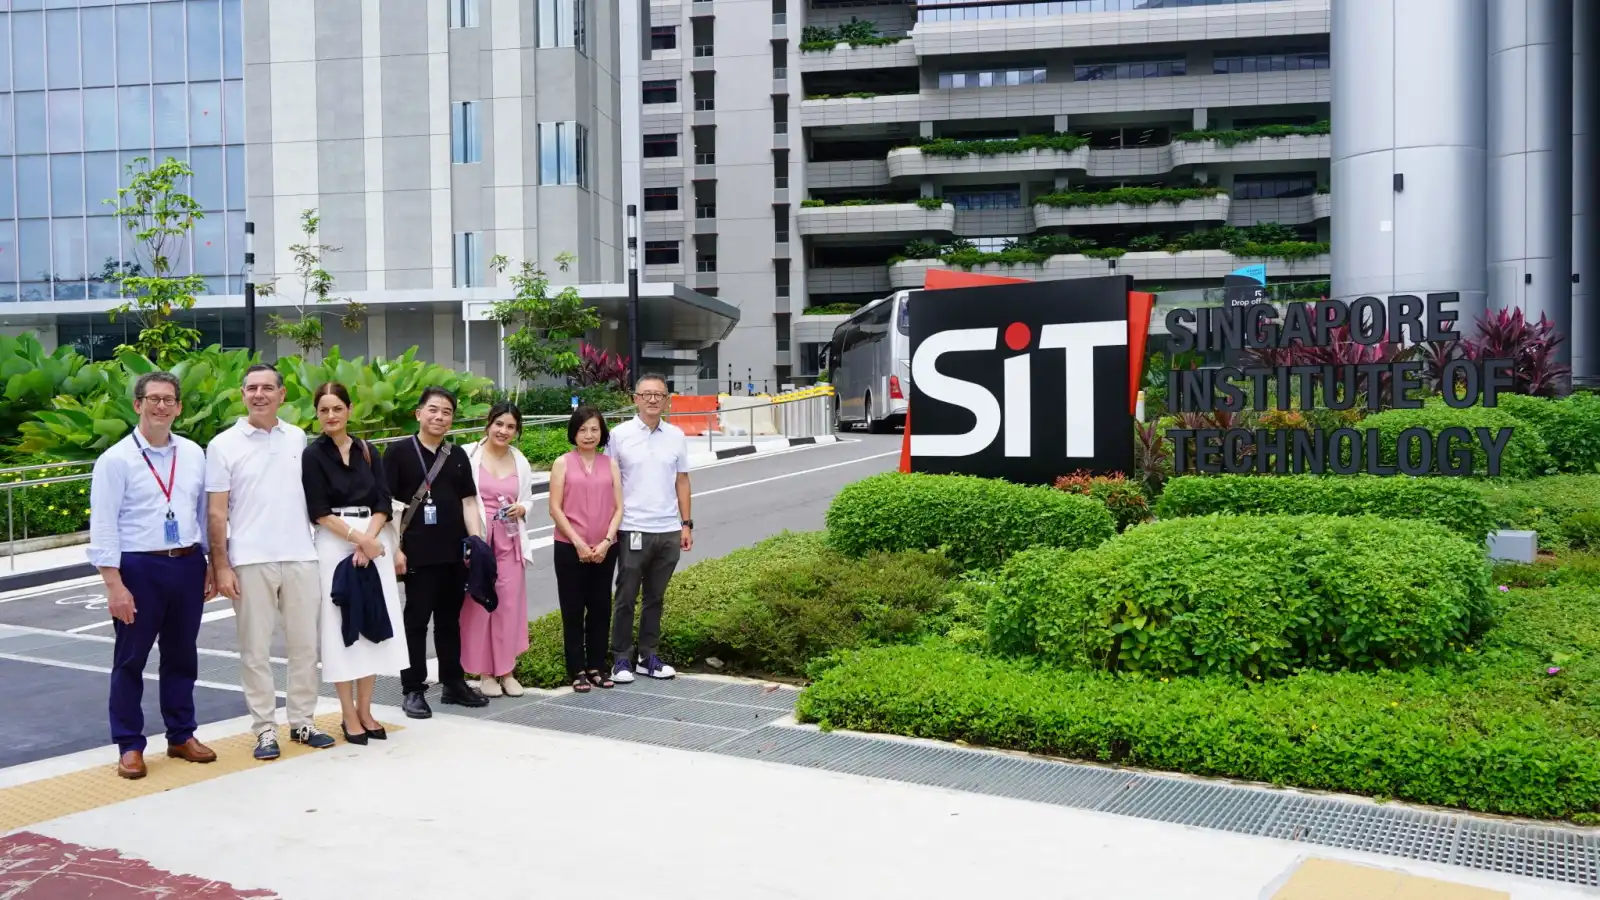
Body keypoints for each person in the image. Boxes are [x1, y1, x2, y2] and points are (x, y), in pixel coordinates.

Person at [88, 371, 217, 779]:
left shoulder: (194, 453)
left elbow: (201, 513)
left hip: (187, 562)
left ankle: (181, 734)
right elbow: (104, 525)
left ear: (179, 407)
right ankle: (129, 743)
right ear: (137, 404)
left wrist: (210, 562)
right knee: (131, 658)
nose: (161, 406)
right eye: (153, 399)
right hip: (139, 567)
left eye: (168, 400)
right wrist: (114, 584)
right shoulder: (115, 460)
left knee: (182, 655)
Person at [206, 364, 334, 759]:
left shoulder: (297, 437)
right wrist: (221, 565)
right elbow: (216, 513)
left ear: (282, 395)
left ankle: (302, 721)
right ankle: (264, 728)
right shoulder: (223, 444)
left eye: (267, 388)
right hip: (249, 560)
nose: (258, 394)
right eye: (251, 388)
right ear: (242, 394)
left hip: (300, 555)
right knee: (255, 650)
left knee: (304, 647)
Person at [301, 382, 409, 744]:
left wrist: (371, 539)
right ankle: (348, 714)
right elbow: (317, 510)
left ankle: (366, 709)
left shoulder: (367, 450)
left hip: (373, 538)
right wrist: (358, 539)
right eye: (323, 410)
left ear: (349, 410)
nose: (331, 416)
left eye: (337, 408)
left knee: (373, 623)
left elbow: (382, 499)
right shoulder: (312, 455)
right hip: (336, 542)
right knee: (341, 627)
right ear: (317, 415)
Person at [385, 386, 488, 718]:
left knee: (449, 622)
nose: (439, 416)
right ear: (418, 413)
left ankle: (453, 683)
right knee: (415, 621)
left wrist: (477, 544)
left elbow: (468, 502)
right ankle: (413, 689)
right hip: (416, 555)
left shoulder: (456, 455)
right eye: (433, 410)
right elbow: (386, 507)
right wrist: (394, 551)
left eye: (446, 412)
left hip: (454, 554)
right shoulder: (398, 453)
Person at [608, 374, 693, 684]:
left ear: (667, 399)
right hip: (632, 528)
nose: (653, 399)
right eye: (647, 394)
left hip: (668, 529)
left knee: (655, 597)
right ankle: (620, 658)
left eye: (659, 394)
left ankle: (648, 656)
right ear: (635, 398)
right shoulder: (619, 435)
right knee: (626, 595)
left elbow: (682, 480)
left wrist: (685, 524)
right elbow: (609, 481)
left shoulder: (676, 435)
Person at [459, 401, 537, 698]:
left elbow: (528, 498)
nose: (503, 431)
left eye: (511, 427)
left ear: (517, 432)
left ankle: (506, 670)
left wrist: (522, 507)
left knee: (507, 606)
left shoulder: (521, 461)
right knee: (479, 605)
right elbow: (463, 499)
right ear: (488, 424)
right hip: (480, 540)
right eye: (499, 424)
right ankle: (484, 672)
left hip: (510, 540)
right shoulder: (469, 454)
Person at [548, 405, 623, 692]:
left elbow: (619, 507)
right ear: (573, 432)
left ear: (602, 432)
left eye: (594, 429)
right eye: (582, 429)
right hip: (569, 548)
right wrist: (578, 543)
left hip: (605, 548)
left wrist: (606, 541)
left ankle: (597, 666)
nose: (589, 435)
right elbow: (555, 508)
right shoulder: (562, 463)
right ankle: (577, 669)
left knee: (601, 607)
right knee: (572, 609)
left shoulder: (610, 464)